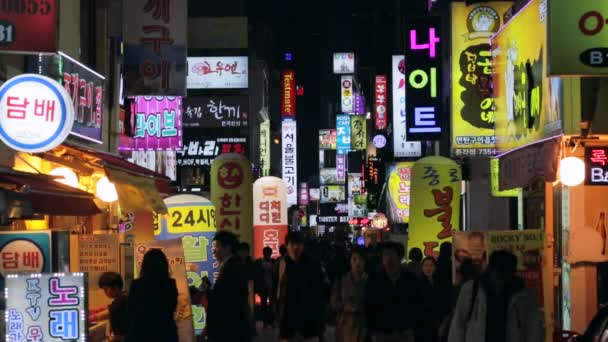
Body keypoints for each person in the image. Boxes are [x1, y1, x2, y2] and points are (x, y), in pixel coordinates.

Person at [448, 250, 543, 342]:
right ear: (491, 271)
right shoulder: (472, 289)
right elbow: (459, 323)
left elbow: (533, 329)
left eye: (505, 276)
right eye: (498, 275)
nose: (501, 282)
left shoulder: (523, 295)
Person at [278, 231, 328, 342]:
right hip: (288, 322)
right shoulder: (282, 265)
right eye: (292, 244)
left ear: (303, 246)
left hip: (309, 322)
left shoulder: (313, 266)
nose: (295, 248)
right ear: (286, 246)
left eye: (298, 244)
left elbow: (320, 295)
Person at [365, 241, 420, 342]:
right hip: (381, 332)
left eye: (392, 254)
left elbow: (417, 305)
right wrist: (372, 331)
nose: (388, 258)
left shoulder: (410, 280)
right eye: (385, 254)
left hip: (404, 332)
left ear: (399, 257)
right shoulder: (375, 280)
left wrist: (413, 327)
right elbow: (369, 305)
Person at [207, 231, 251, 342]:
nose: (214, 251)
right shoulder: (231, 265)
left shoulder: (232, 268)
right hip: (232, 327)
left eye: (217, 246)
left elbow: (225, 298)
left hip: (231, 329)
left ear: (227, 248)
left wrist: (207, 291)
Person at [127, 249, 178, 342]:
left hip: (141, 333)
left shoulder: (137, 284)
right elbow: (172, 307)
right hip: (166, 332)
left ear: (144, 265)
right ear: (164, 265)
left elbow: (131, 310)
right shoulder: (170, 284)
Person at [331, 247, 368, 342]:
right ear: (350, 261)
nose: (358, 262)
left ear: (365, 262)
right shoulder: (342, 280)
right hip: (345, 327)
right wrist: (345, 305)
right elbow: (333, 303)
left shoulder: (370, 281)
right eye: (354, 259)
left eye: (361, 259)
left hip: (364, 327)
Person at [92, 272, 129, 341]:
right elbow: (108, 307)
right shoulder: (123, 296)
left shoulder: (121, 300)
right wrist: (94, 311)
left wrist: (90, 318)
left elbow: (102, 315)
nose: (105, 292)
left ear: (115, 287)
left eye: (106, 289)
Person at [419, 257, 441, 342]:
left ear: (435, 267)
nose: (428, 268)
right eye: (426, 265)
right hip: (423, 322)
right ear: (422, 267)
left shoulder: (438, 283)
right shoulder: (418, 283)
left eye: (431, 265)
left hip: (436, 320)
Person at [238, 242, 257, 336]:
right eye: (242, 251)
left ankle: (251, 329)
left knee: (249, 309)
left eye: (245, 251)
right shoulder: (236, 263)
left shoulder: (250, 262)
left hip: (249, 287)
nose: (243, 254)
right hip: (240, 290)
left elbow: (253, 275)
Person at [255, 246, 275, 328]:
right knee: (264, 305)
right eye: (266, 253)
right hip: (263, 286)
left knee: (271, 305)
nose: (268, 255)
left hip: (271, 286)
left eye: (269, 253)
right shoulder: (259, 262)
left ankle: (271, 321)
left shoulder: (273, 262)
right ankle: (265, 322)